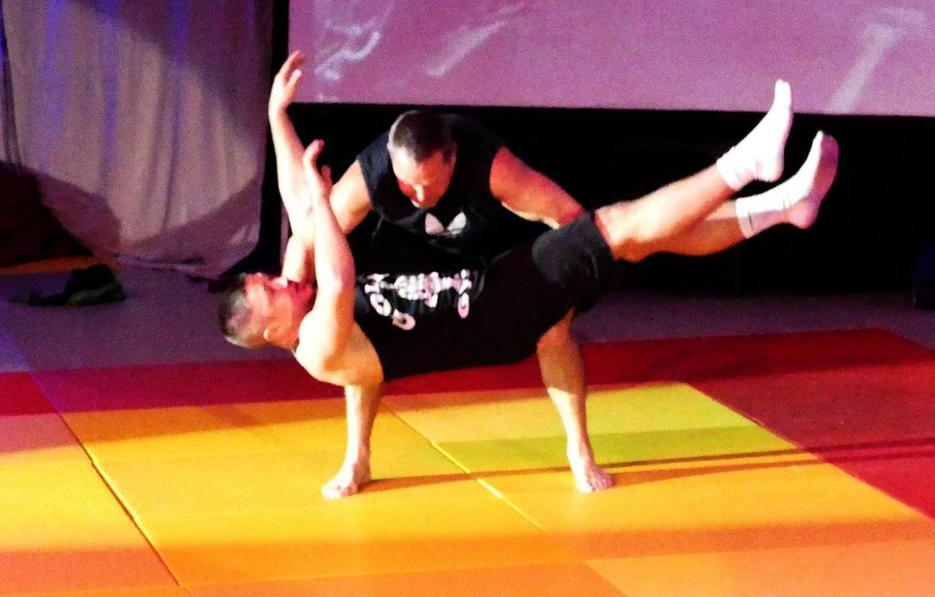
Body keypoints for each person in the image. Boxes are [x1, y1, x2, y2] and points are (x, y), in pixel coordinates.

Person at [222, 51, 838, 498]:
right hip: (489, 309)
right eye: (271, 289)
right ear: (274, 331)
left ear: (451, 158)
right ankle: (746, 168)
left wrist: (278, 116)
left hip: (492, 269)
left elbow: (300, 213)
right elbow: (332, 262)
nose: (280, 281)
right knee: (623, 230)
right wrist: (319, 196)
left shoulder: (483, 163)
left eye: (268, 278)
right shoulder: (321, 330)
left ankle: (783, 205)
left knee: (622, 237)